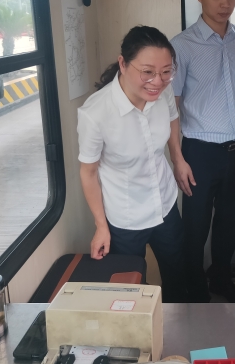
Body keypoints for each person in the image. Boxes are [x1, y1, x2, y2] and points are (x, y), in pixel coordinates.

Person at [168, 0, 235, 302]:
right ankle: (195, 291)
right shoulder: (182, 45)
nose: (226, 3)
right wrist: (177, 158)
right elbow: (171, 106)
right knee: (195, 227)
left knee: (229, 222)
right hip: (198, 152)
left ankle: (220, 279)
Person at [78, 26, 186, 302]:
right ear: (123, 64)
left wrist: (178, 159)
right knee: (130, 290)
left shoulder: (163, 91)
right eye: (147, 71)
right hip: (125, 216)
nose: (157, 81)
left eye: (166, 72)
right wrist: (101, 226)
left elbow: (173, 119)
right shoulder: (96, 112)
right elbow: (88, 173)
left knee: (178, 275)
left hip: (165, 204)